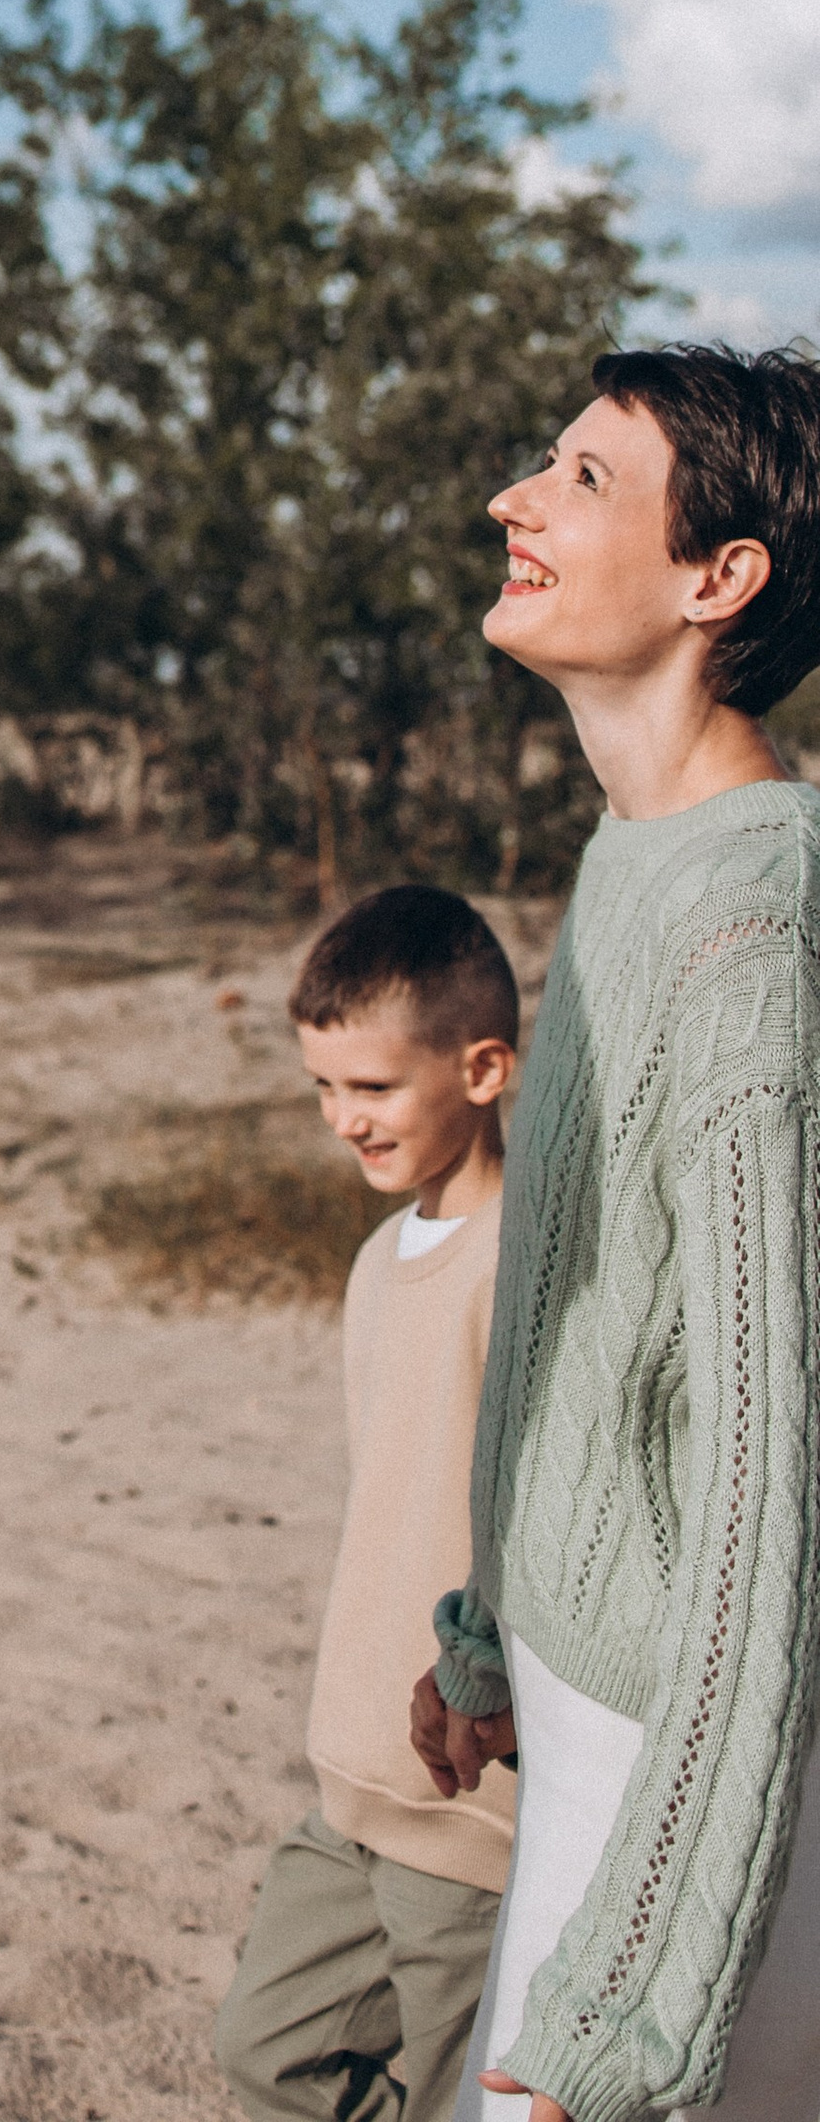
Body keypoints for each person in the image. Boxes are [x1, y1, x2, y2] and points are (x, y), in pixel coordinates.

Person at [407, 348, 820, 2122]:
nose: (517, 496)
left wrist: (632, 2009)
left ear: (721, 579)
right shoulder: (637, 854)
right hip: (586, 1725)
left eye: (581, 478)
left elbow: (767, 1510)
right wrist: (495, 1634)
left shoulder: (752, 938)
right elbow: (588, 1318)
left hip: (696, 1776)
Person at [215, 885, 520, 2122]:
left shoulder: (523, 1264)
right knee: (264, 2052)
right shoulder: (372, 1262)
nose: (344, 1121)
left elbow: (537, 1515)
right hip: (348, 1777)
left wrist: (483, 1675)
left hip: (468, 1803)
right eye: (323, 1090)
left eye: (376, 1090)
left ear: (483, 1067)